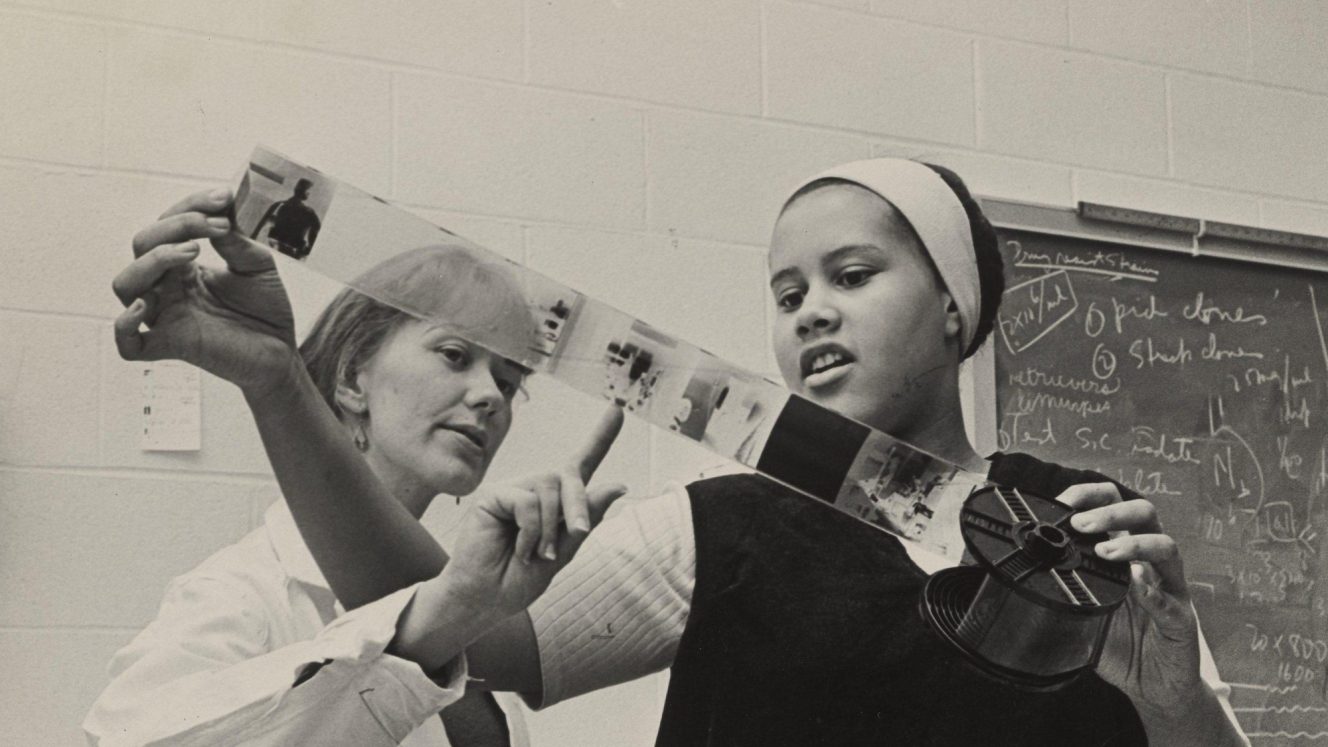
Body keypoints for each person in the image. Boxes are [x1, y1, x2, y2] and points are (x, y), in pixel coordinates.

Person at [120, 161, 1251, 745]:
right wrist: (278, 385)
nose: (809, 313)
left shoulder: (1088, 539)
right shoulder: (723, 524)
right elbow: (443, 628)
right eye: (785, 293)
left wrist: (1175, 709)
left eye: (852, 278)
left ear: (956, 310)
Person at [85, 191, 627, 746]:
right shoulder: (242, 593)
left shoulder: (482, 611)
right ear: (351, 378)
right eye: (455, 355)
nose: (491, 396)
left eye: (509, 382)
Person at [251, 177, 321, 259]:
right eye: (309, 191)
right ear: (304, 191)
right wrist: (309, 248)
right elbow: (317, 227)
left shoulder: (278, 204)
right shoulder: (309, 212)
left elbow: (261, 224)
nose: (309, 194)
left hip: (272, 246)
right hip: (291, 251)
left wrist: (253, 239)